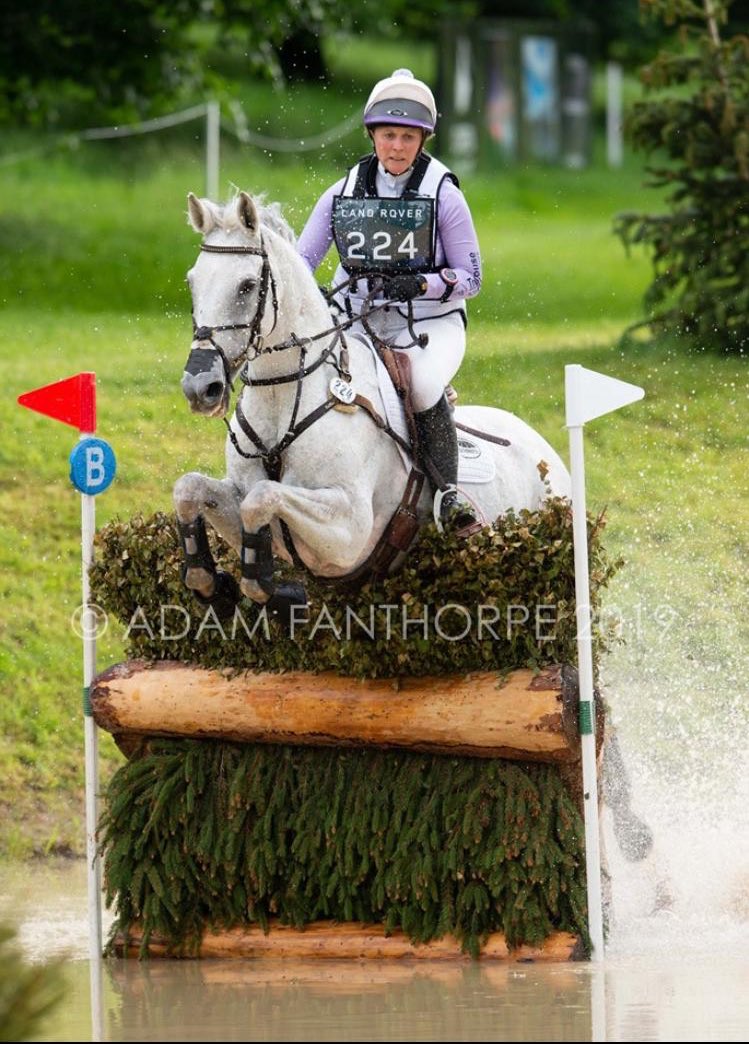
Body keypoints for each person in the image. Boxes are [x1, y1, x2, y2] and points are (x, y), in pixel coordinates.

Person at [297, 68, 482, 534]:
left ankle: (448, 495)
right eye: (388, 135)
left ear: (423, 140)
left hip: (430, 323)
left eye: (407, 136)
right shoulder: (343, 190)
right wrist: (309, 292)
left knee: (417, 381)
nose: (396, 147)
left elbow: (472, 278)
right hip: (356, 318)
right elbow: (303, 260)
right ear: (372, 135)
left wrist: (422, 285)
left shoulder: (445, 194)